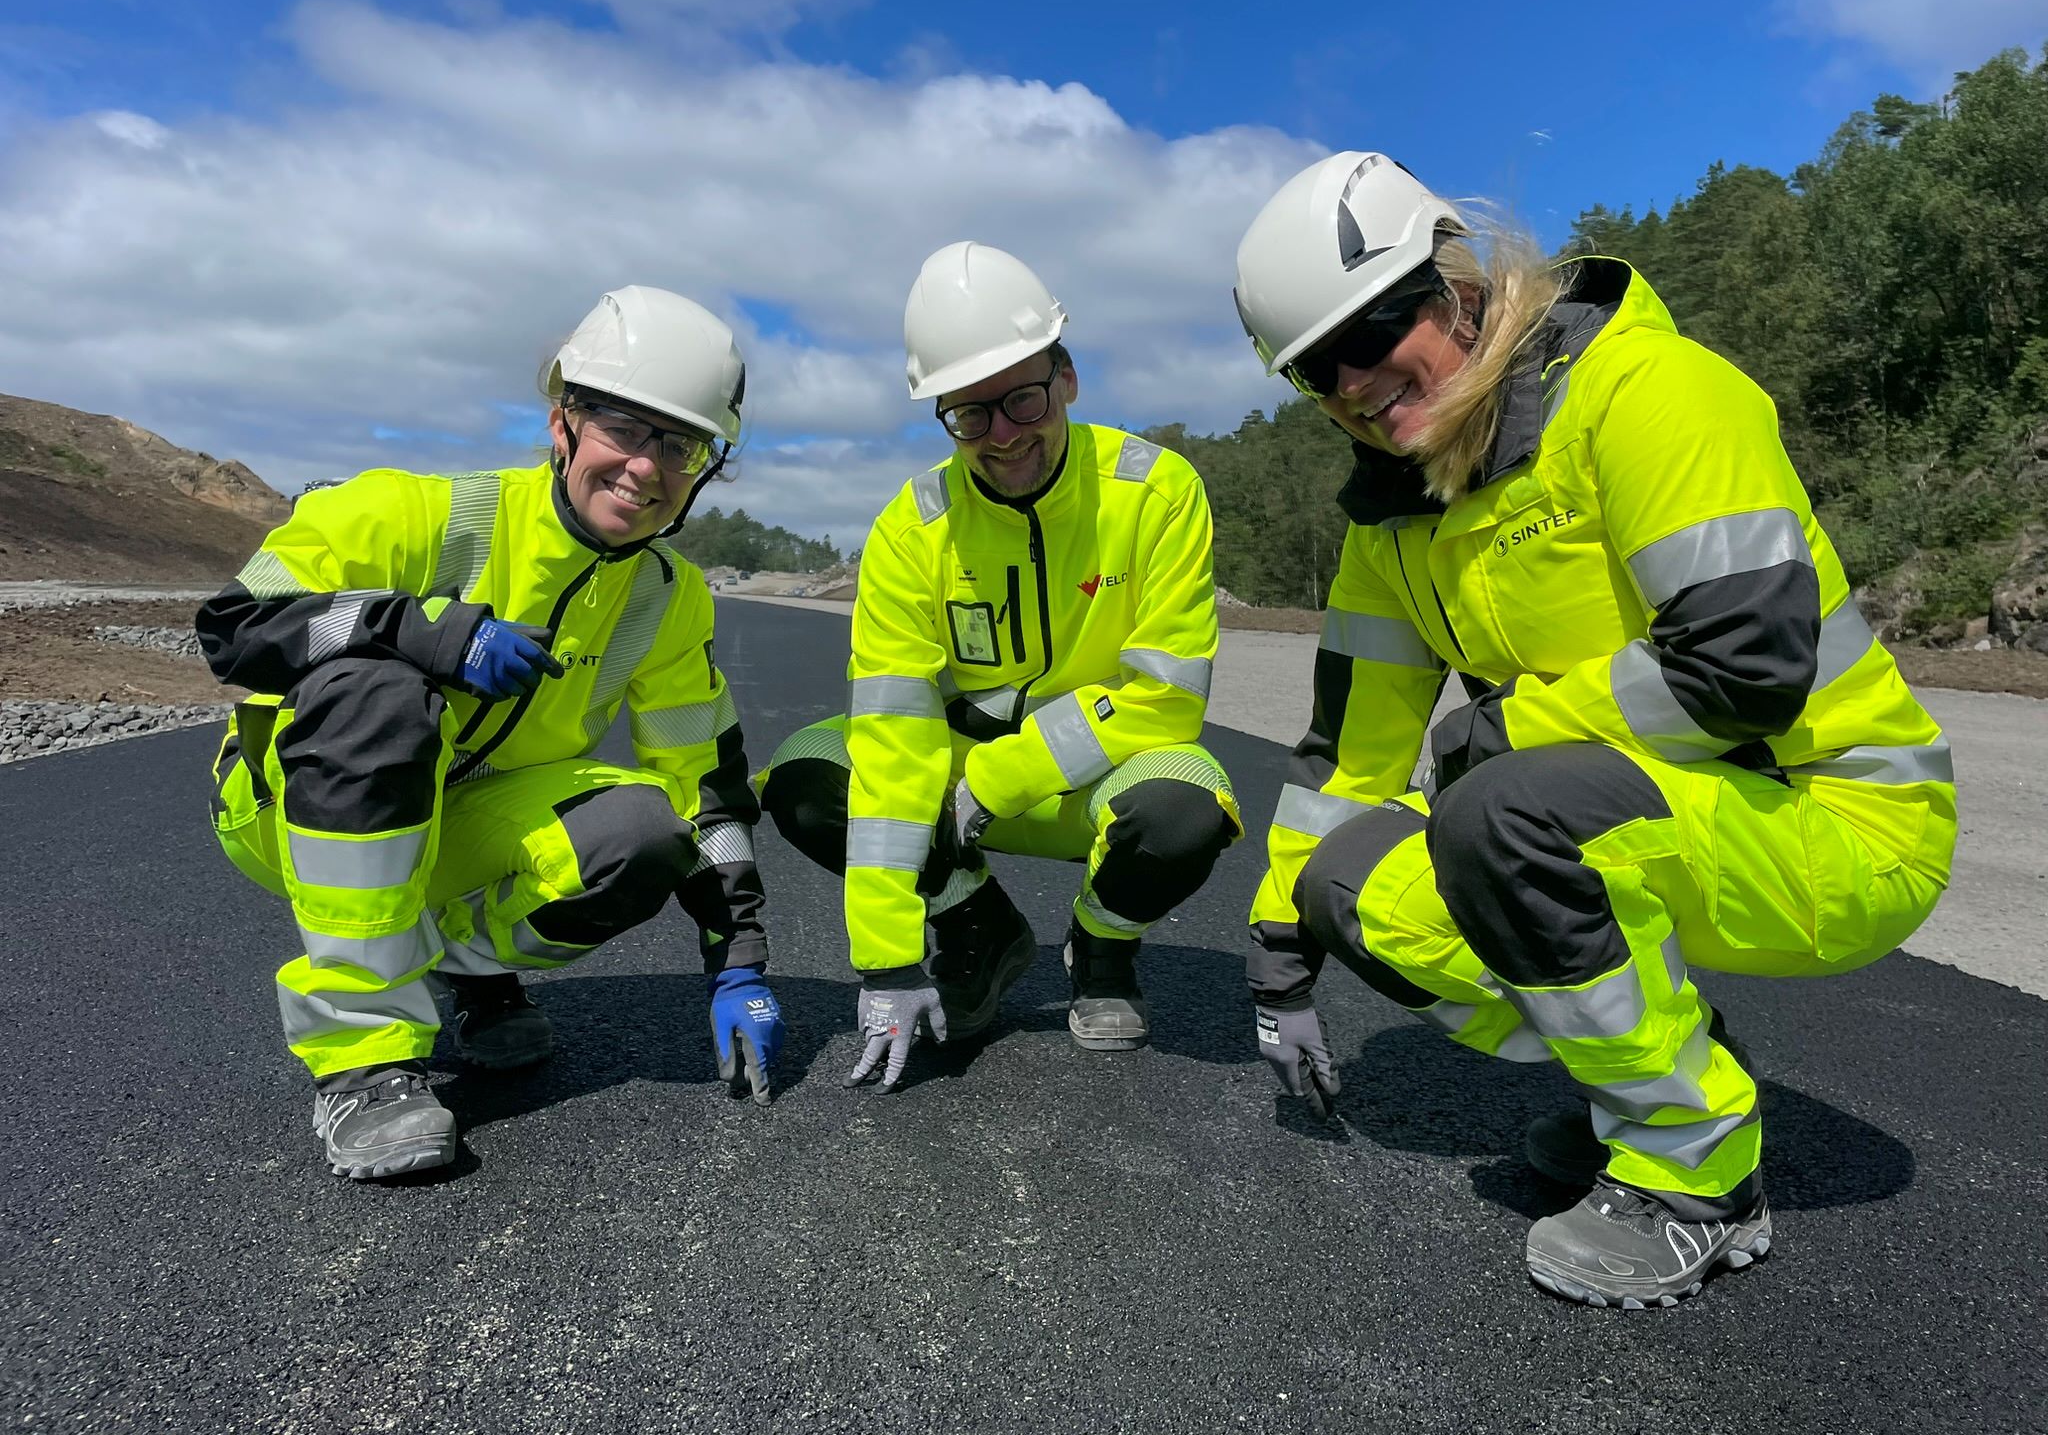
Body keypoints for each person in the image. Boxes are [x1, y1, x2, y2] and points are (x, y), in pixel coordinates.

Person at [1230, 152, 1956, 1306]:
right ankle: (1659, 1071)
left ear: (1454, 285)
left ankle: (1695, 1173)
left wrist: (1498, 739)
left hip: (1840, 818)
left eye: (1374, 329)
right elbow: (1348, 756)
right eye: (1318, 367)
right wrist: (1277, 943)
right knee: (1352, 876)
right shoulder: (1390, 526)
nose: (1356, 379)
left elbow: (1741, 665)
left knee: (1499, 812)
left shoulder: (1650, 391)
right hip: (1646, 816)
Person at [198, 286, 785, 1179]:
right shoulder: (418, 513)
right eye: (625, 429)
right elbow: (235, 626)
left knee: (644, 830)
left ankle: (457, 971)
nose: (646, 467)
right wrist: (420, 630)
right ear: (565, 424)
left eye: (680, 445)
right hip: (295, 809)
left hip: (462, 823)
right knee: (374, 693)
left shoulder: (668, 597)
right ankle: (362, 1060)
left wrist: (737, 959)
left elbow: (705, 782)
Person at [760, 242, 1241, 1091]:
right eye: (970, 415)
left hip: (1093, 781)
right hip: (954, 783)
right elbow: (893, 736)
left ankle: (1101, 948)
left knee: (1185, 810)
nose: (1004, 434)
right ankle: (977, 930)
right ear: (942, 412)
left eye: (1023, 398)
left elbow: (1165, 700)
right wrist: (886, 961)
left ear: (1068, 378)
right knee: (808, 776)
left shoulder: (1157, 491)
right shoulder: (911, 532)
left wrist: (996, 780)